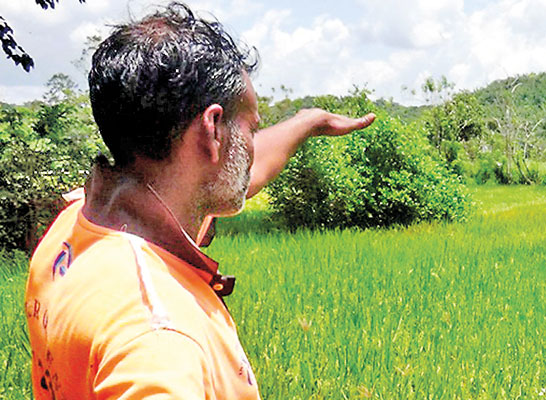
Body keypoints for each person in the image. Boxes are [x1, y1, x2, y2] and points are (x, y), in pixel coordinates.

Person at [24, 3, 374, 398]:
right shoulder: (157, 335)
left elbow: (239, 176)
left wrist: (306, 122)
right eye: (250, 128)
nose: (252, 146)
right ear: (212, 131)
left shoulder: (78, 221)